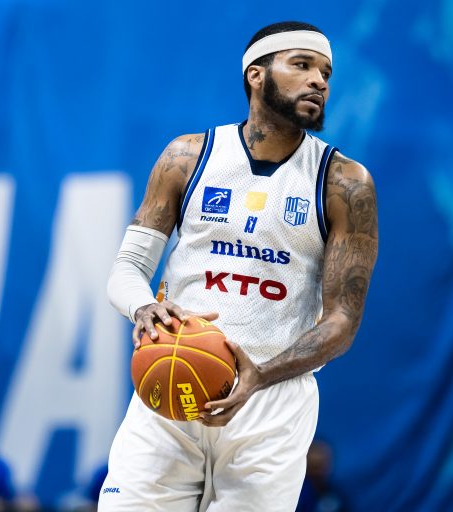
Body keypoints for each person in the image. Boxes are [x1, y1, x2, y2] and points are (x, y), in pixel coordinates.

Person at [102, 20, 378, 511]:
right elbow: (127, 269)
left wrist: (260, 375)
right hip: (171, 378)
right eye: (302, 65)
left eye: (326, 72)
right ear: (256, 74)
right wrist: (142, 308)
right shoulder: (188, 157)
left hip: (271, 401)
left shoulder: (345, 183)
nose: (318, 81)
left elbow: (342, 322)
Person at [296, 439, 348, 512]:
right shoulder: (296, 493)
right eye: (315, 465)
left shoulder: (335, 496)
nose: (318, 471)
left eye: (322, 463)